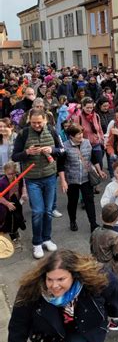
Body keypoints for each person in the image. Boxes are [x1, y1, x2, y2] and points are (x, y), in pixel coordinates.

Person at [12, 108, 65, 259]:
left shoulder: (53, 130)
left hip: (49, 176)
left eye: (39, 122)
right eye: (33, 122)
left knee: (48, 211)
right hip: (32, 179)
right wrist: (27, 153)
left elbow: (62, 150)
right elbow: (15, 156)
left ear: (45, 120)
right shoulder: (23, 134)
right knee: (37, 212)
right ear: (30, 120)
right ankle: (37, 243)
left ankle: (47, 239)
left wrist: (52, 149)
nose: (36, 125)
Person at [90, 203, 118, 331]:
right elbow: (117, 255)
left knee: (102, 292)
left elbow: (92, 249)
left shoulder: (95, 231)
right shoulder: (114, 236)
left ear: (101, 216)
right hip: (110, 270)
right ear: (116, 219)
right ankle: (116, 319)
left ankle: (102, 316)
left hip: (95, 266)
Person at [57, 124, 106, 233]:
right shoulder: (64, 146)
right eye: (77, 134)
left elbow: (93, 158)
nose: (80, 136)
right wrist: (63, 181)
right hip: (72, 179)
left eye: (81, 133)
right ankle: (73, 221)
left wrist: (99, 171)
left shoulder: (87, 143)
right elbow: (60, 165)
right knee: (72, 202)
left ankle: (93, 223)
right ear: (71, 136)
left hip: (86, 178)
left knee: (89, 201)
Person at [0, 161, 27, 244]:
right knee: (9, 221)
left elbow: (23, 186)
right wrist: (7, 204)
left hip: (16, 201)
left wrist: (24, 193)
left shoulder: (18, 177)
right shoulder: (2, 182)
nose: (11, 176)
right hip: (6, 204)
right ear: (5, 172)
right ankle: (12, 236)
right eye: (9, 174)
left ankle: (15, 231)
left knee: (18, 217)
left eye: (13, 173)